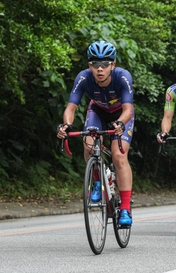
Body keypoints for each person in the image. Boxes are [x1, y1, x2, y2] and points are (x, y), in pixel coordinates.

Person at [56, 41, 135, 226]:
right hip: (97, 112)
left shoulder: (123, 76)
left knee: (119, 156)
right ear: (89, 65)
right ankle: (98, 181)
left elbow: (128, 110)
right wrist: (66, 125)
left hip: (121, 115)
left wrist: (120, 123)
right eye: (95, 64)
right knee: (89, 145)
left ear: (113, 65)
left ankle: (124, 209)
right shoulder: (83, 78)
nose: (100, 69)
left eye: (105, 64)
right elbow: (71, 107)